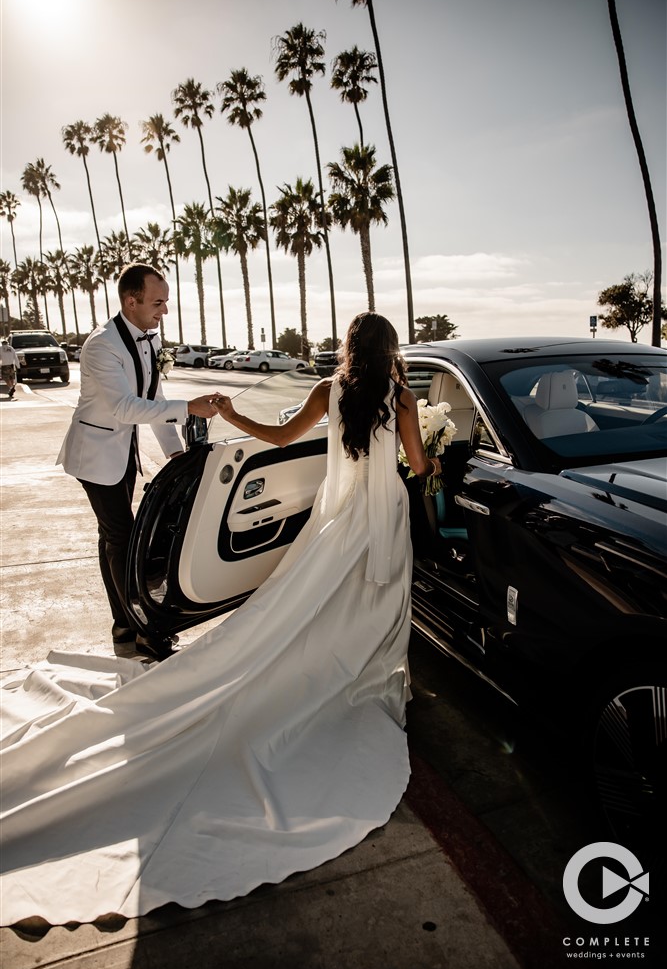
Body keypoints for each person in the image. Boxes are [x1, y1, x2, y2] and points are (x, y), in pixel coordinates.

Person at [0, 311, 440, 926]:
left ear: (349, 349)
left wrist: (230, 416)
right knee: (380, 597)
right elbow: (418, 466)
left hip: (340, 518)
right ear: (390, 351)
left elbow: (282, 441)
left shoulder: (328, 390)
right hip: (384, 513)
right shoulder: (402, 398)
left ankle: (336, 670)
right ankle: (370, 676)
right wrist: (435, 462)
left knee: (317, 600)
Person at [56, 262, 221, 661]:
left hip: (123, 454)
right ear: (131, 301)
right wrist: (190, 408)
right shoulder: (101, 345)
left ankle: (122, 627)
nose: (164, 311)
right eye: (158, 303)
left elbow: (154, 394)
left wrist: (175, 450)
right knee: (124, 540)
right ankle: (145, 628)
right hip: (94, 455)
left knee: (110, 538)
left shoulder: (149, 338)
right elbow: (125, 407)